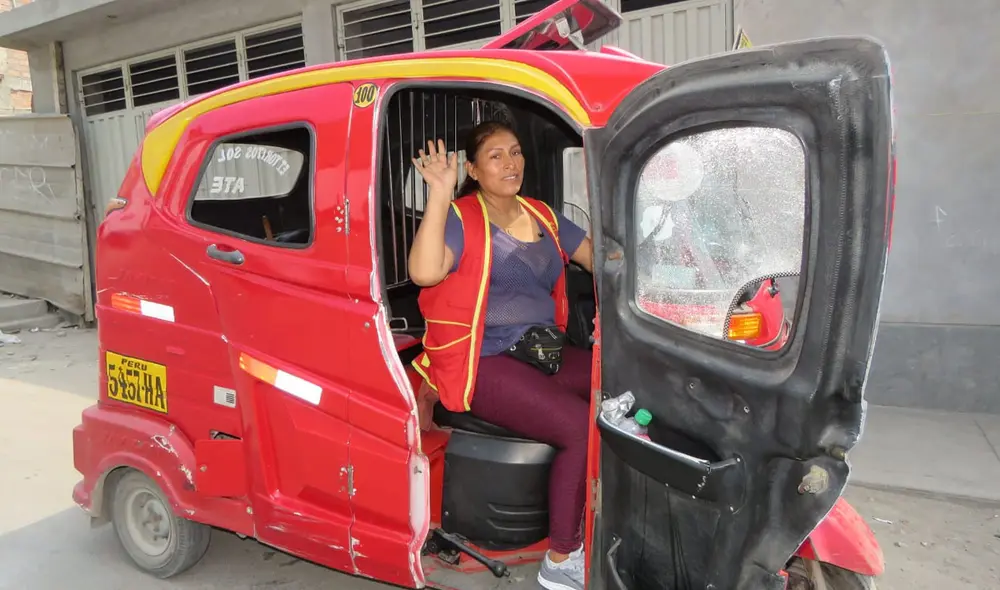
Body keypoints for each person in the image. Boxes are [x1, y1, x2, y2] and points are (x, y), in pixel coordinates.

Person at [408, 121, 594, 590]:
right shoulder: (462, 216)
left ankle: (600, 507)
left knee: (626, 385)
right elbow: (425, 273)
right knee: (579, 426)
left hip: (542, 351)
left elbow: (603, 260)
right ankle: (561, 557)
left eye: (515, 152)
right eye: (495, 156)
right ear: (472, 168)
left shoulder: (545, 216)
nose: (511, 163)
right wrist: (438, 193)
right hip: (484, 360)